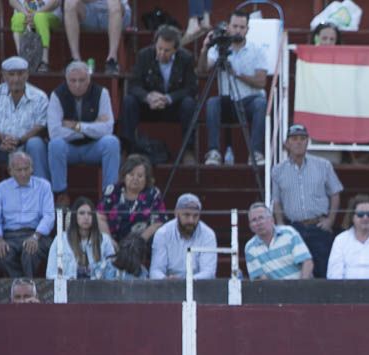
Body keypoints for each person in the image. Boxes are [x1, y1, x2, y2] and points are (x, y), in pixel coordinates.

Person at [0, 56, 49, 212]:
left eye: (20, 74)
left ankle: (42, 195)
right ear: (4, 75)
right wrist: (2, 138)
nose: (16, 78)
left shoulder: (39, 96)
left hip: (26, 146)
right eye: (12, 74)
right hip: (0, 145)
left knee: (36, 143)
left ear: (27, 74)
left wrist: (20, 140)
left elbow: (40, 125)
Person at [271, 123, 342, 279]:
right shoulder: (277, 170)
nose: (299, 142)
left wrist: (330, 220)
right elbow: (276, 201)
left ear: (307, 142)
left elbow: (335, 193)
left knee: (323, 271)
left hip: (318, 226)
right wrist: (281, 226)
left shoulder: (323, 165)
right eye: (294, 139)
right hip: (294, 229)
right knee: (295, 272)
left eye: (303, 138)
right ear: (287, 143)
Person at [199, 11, 268, 167]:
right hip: (227, 102)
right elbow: (202, 70)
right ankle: (214, 152)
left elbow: (261, 81)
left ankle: (255, 153)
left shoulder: (257, 50)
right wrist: (205, 49)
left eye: (242, 27)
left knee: (261, 103)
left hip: (249, 101)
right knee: (212, 103)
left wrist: (236, 74)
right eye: (235, 26)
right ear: (228, 27)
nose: (238, 30)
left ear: (247, 29)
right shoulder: (219, 49)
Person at [47, 61, 120, 205]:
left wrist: (77, 126)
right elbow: (54, 132)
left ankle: (109, 195)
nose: (77, 85)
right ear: (66, 80)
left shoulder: (101, 93)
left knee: (111, 142)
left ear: (89, 79)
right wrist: (93, 127)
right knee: (55, 144)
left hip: (93, 147)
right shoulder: (57, 95)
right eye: (73, 81)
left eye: (82, 80)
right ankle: (60, 194)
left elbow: (107, 129)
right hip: (69, 148)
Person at [120, 25, 198, 158]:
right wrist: (148, 97)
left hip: (173, 107)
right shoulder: (144, 55)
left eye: (167, 50)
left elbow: (191, 88)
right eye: (159, 48)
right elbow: (134, 85)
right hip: (149, 106)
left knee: (189, 103)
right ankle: (127, 149)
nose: (161, 53)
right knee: (129, 101)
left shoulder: (186, 58)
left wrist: (168, 98)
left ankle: (188, 150)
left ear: (175, 49)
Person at [0, 150, 55, 277]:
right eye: (19, 170)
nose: (23, 174)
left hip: (36, 233)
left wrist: (35, 237)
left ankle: (23, 286)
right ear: (10, 171)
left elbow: (49, 215)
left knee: (30, 252)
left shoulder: (43, 186)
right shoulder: (0, 189)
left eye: (26, 169)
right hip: (9, 236)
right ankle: (24, 284)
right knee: (2, 254)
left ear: (32, 169)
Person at [97, 154, 166, 276]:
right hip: (113, 242)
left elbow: (158, 222)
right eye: (131, 174)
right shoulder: (112, 190)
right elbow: (100, 216)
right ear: (124, 176)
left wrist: (138, 242)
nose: (135, 179)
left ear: (146, 178)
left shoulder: (153, 193)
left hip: (142, 242)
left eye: (140, 176)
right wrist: (110, 240)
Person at [46, 195, 124, 278]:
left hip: (98, 288)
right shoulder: (60, 240)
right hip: (69, 288)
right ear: (74, 216)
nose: (86, 217)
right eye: (82, 213)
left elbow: (113, 273)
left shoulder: (104, 240)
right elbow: (50, 274)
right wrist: (68, 279)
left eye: (90, 214)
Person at [149, 193, 217, 279]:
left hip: (198, 286)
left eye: (195, 216)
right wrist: (165, 279)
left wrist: (186, 282)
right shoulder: (162, 233)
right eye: (187, 215)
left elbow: (209, 272)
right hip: (169, 287)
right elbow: (156, 270)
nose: (191, 221)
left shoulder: (208, 235)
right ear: (176, 213)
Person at [244, 202, 313, 280]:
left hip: (300, 285)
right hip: (274, 290)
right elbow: (262, 280)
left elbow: (307, 262)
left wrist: (300, 287)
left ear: (272, 220)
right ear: (250, 227)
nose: (258, 223)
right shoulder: (250, 248)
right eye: (254, 220)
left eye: (261, 218)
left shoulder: (289, 233)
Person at [62, 0, 130, 75]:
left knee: (114, 3)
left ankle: (112, 60)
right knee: (69, 2)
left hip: (117, 13)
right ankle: (75, 59)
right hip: (89, 12)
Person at [10, 0, 62, 72]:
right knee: (17, 18)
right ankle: (21, 58)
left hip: (49, 14)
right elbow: (12, 1)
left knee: (39, 17)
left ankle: (44, 61)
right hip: (25, 13)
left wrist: (35, 14)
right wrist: (26, 13)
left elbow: (56, 2)